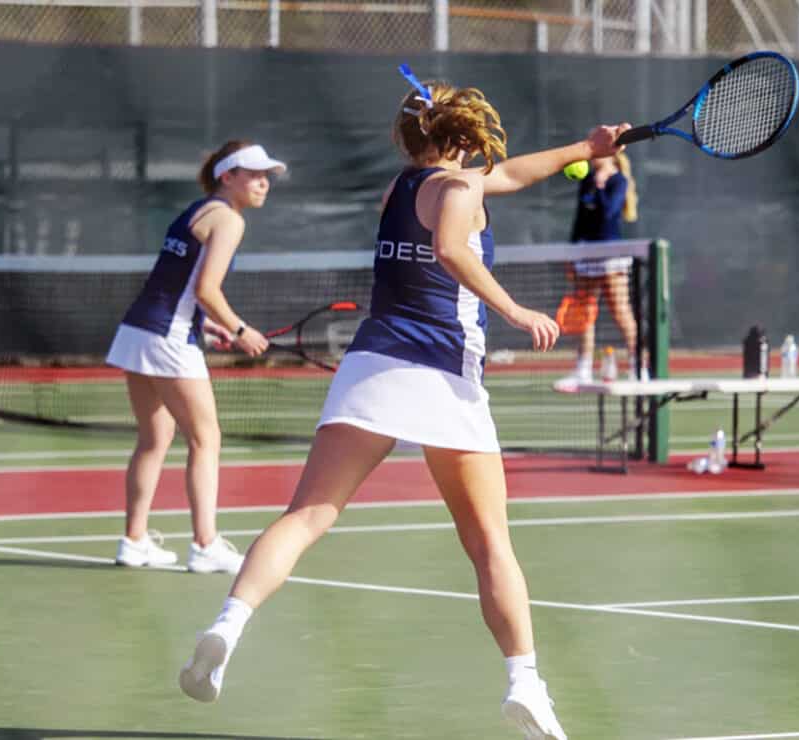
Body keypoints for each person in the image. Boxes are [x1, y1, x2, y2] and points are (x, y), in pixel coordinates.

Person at [178, 70, 629, 740]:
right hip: (444, 376)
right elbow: (451, 246)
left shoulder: (404, 186)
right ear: (468, 136)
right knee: (489, 544)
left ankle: (227, 624)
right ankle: (525, 682)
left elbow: (515, 175)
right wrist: (512, 308)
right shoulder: (460, 188)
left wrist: (584, 148)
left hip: (371, 368)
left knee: (304, 517)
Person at [105, 140, 283, 573]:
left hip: (138, 330)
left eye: (267, 176)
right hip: (166, 337)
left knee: (154, 440)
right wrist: (241, 330)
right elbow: (206, 290)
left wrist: (210, 326)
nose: (264, 182)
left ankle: (134, 540)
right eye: (254, 174)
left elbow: (176, 287)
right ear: (228, 176)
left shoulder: (194, 211)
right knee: (206, 440)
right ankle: (205, 545)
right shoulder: (228, 220)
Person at [553, 150, 641, 392]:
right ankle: (583, 369)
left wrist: (601, 188)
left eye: (599, 151)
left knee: (620, 311)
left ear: (612, 153)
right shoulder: (587, 179)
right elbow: (580, 219)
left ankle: (638, 367)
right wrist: (572, 252)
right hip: (585, 253)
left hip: (610, 253)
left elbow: (609, 213)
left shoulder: (618, 180)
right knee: (584, 312)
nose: (593, 156)